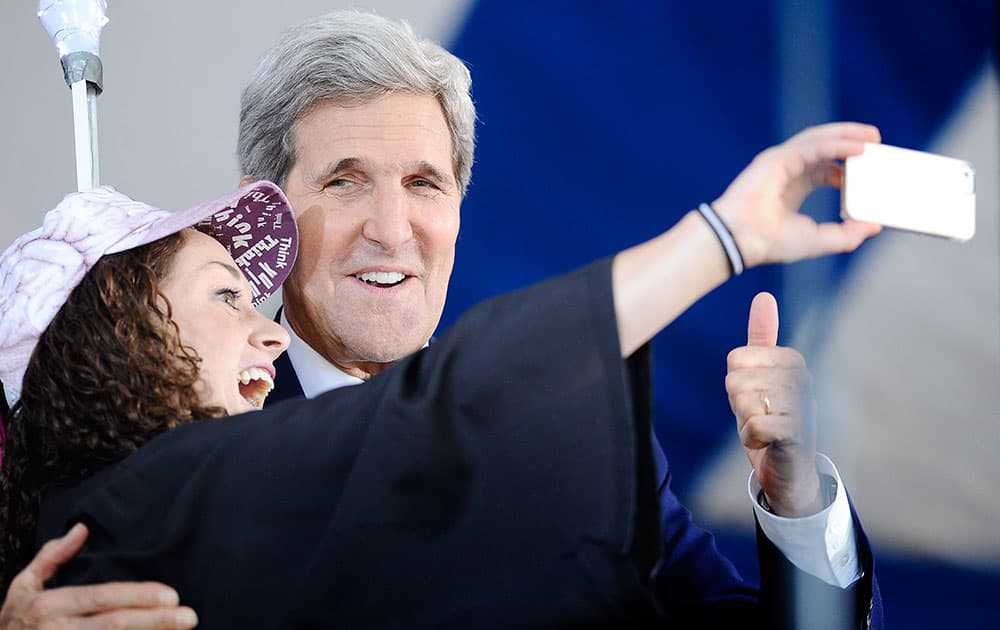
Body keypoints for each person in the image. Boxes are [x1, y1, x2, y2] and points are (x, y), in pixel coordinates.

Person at [1, 10, 884, 628]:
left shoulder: (590, 445)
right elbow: (446, 413)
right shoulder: (139, 466)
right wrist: (720, 237)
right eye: (345, 179)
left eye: (425, 184)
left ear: (460, 210)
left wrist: (797, 503)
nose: (393, 229)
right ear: (263, 205)